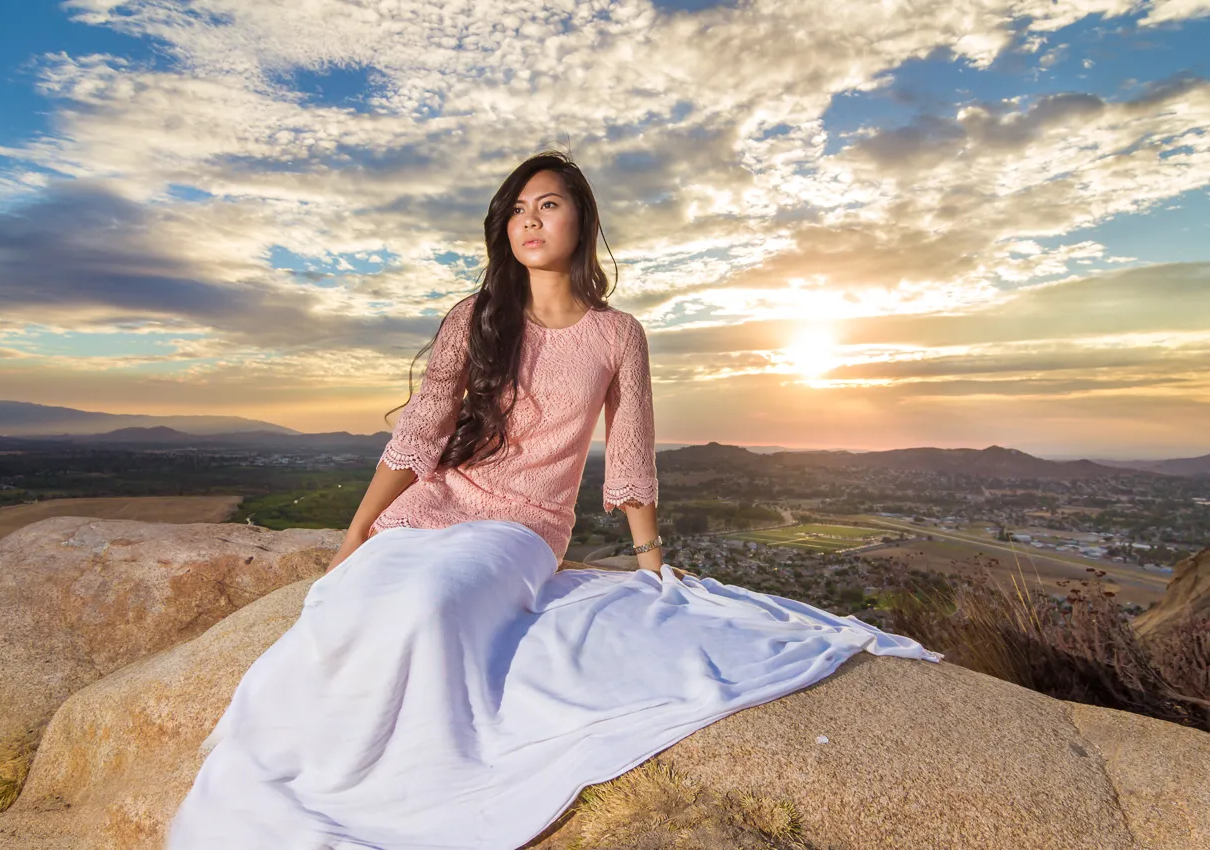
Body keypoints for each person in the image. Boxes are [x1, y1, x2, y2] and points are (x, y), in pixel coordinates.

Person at [166, 151, 940, 850]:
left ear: (583, 219)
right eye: (517, 209)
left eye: (548, 205)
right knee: (349, 602)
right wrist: (356, 535)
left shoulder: (617, 335)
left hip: (522, 526)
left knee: (430, 604)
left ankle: (391, 793)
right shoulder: (473, 319)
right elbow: (418, 437)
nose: (529, 221)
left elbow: (632, 452)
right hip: (435, 504)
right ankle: (309, 771)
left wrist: (651, 564)